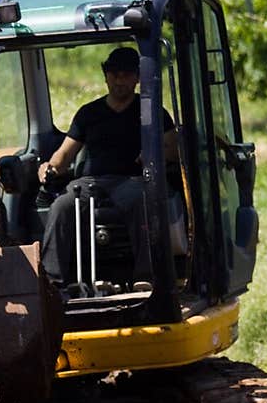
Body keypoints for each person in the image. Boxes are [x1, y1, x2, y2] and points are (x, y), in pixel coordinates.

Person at [37, 45, 177, 291]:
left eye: (125, 75)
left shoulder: (152, 112)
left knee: (141, 200)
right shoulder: (88, 113)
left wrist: (155, 154)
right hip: (89, 183)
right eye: (114, 74)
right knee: (61, 205)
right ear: (106, 76)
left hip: (131, 181)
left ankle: (145, 277)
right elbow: (64, 155)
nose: (119, 80)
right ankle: (52, 283)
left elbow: (172, 148)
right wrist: (48, 167)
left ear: (137, 77)